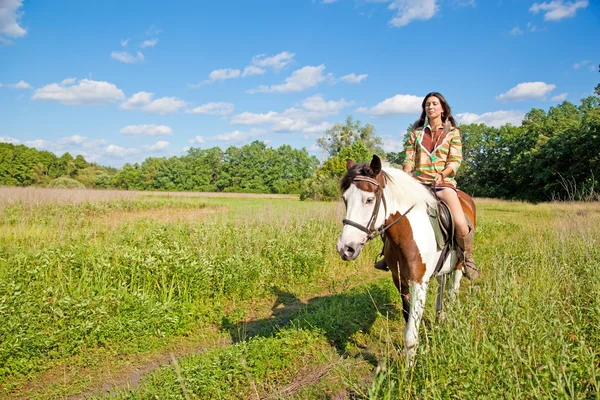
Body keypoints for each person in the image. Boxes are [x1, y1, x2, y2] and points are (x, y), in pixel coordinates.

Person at [374, 92, 479, 280]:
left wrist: (442, 175)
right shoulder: (416, 133)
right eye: (427, 104)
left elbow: (455, 160)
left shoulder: (453, 133)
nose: (430, 107)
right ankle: (387, 255)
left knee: (461, 223)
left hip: (443, 185)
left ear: (443, 108)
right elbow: (409, 158)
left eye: (434, 104)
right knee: (391, 214)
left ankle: (467, 259)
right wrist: (406, 172)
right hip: (419, 184)